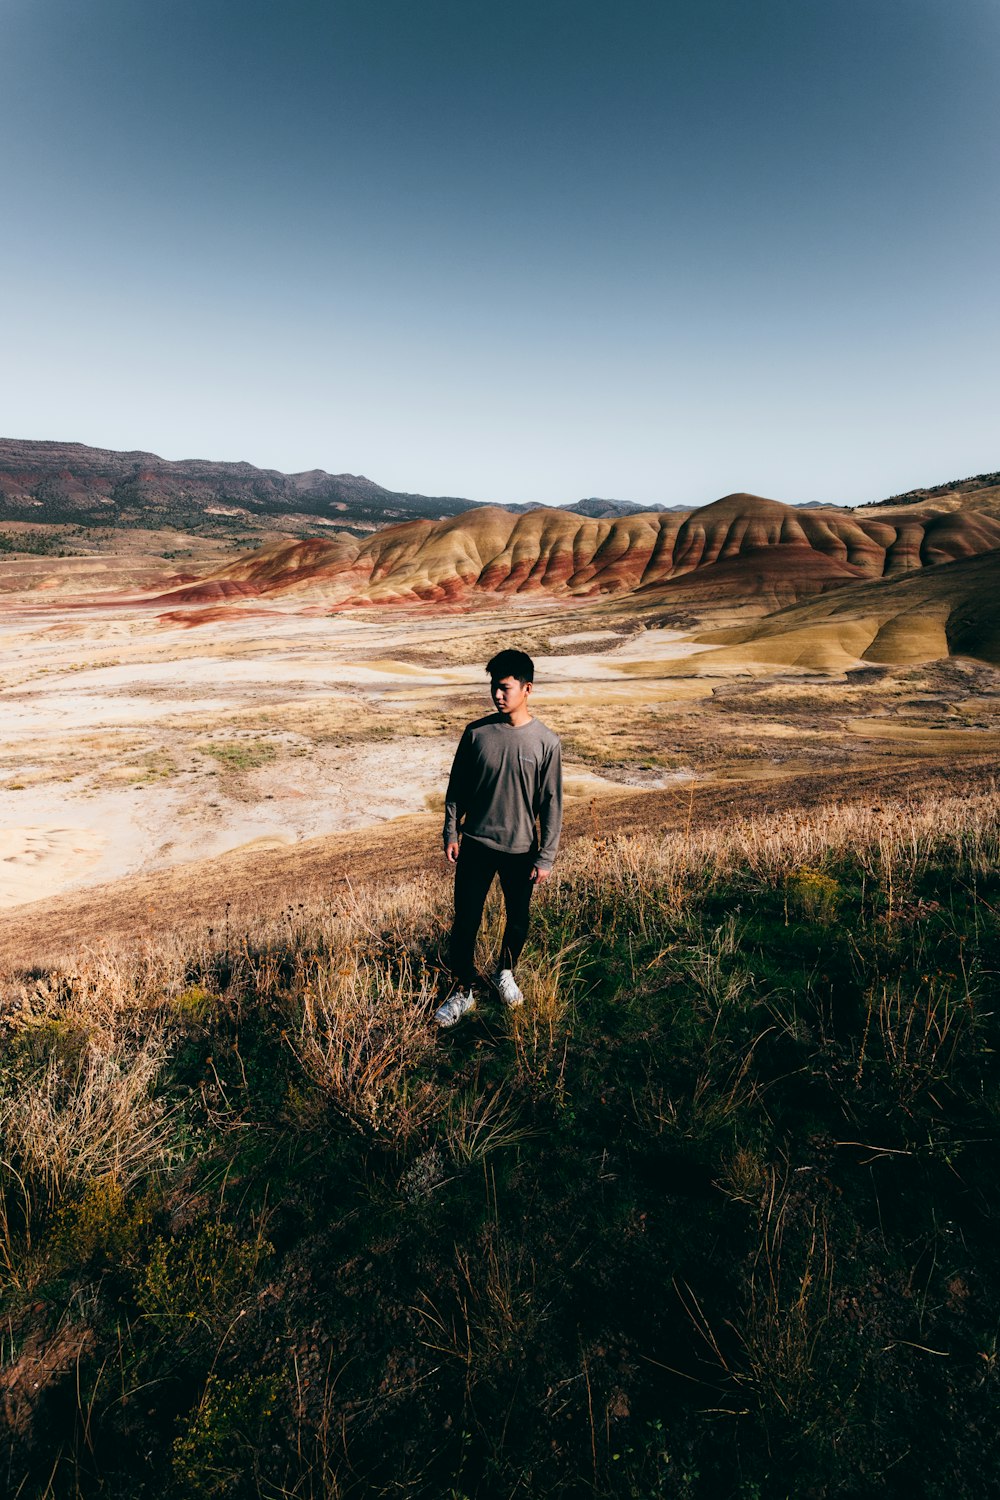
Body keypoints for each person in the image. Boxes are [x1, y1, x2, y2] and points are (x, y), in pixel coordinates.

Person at [435, 648, 563, 1027]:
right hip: (476, 843)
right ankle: (462, 991)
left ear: (527, 689)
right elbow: (457, 787)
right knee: (466, 922)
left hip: (522, 848)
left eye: (505, 687)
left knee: (518, 918)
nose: (497, 695)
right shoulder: (476, 733)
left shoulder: (546, 742)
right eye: (494, 687)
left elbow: (551, 803)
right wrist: (450, 831)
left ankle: (504, 972)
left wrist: (546, 858)